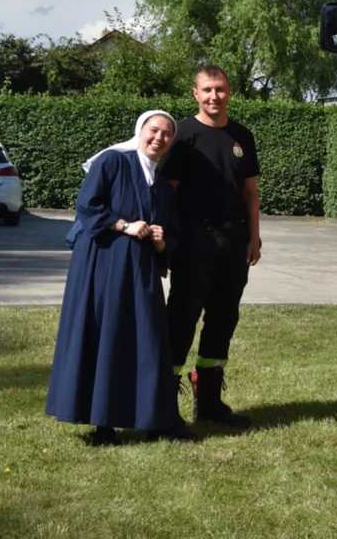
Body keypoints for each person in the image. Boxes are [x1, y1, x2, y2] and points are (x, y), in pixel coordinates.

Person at [46, 110, 196, 445]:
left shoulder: (163, 186)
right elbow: (88, 206)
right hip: (102, 265)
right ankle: (103, 424)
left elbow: (173, 233)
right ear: (139, 131)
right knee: (106, 336)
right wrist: (125, 225)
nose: (159, 138)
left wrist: (160, 240)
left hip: (140, 270)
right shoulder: (113, 162)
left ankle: (154, 420)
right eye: (154, 130)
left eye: (167, 134)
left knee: (147, 340)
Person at [159, 64, 260, 429]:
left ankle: (210, 403)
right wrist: (167, 245)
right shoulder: (182, 136)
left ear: (230, 91)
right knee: (181, 319)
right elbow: (166, 194)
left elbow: (250, 191)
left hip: (234, 241)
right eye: (207, 90)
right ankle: (164, 406)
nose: (214, 96)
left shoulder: (241, 136)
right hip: (193, 240)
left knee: (223, 320)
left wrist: (254, 236)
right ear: (195, 94)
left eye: (220, 89)